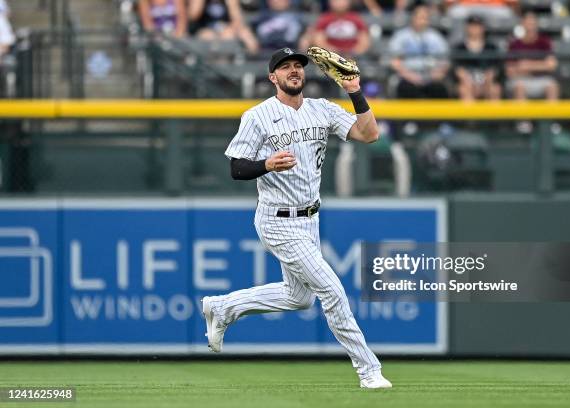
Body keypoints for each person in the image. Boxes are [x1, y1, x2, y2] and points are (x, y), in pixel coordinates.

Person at [201, 47, 392, 389]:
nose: (294, 71)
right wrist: (266, 165)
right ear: (272, 77)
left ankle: (223, 307)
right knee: (332, 291)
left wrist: (354, 92)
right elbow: (236, 168)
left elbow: (369, 134)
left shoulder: (322, 110)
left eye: (297, 66)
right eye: (285, 67)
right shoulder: (258, 116)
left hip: (309, 219)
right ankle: (369, 370)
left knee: (298, 297)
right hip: (277, 219)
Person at [389, 1, 450, 98]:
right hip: (407, 77)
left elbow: (445, 61)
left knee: (439, 89)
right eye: (420, 17)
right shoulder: (401, 36)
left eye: (425, 18)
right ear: (413, 18)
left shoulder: (436, 37)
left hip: (432, 77)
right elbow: (394, 62)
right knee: (406, 89)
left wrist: (436, 74)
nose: (423, 20)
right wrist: (410, 76)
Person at [505, 10, 559, 101]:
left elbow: (551, 65)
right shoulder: (514, 44)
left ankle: (551, 115)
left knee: (552, 87)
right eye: (527, 22)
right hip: (521, 79)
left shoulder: (544, 42)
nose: (530, 25)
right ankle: (522, 115)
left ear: (536, 24)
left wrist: (527, 65)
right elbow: (509, 70)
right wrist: (540, 65)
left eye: (532, 22)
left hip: (541, 78)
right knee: (519, 88)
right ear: (522, 24)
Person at [453, 15, 501, 100]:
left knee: (495, 89)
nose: (475, 29)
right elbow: (457, 69)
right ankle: (469, 113)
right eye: (472, 26)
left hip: (486, 81)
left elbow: (496, 68)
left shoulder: (491, 47)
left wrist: (487, 79)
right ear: (467, 28)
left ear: (483, 28)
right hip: (467, 82)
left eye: (478, 26)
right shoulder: (459, 47)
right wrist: (468, 81)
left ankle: (492, 113)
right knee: (464, 89)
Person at [188, 0, 258, 53]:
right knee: (209, 36)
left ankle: (255, 64)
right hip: (203, 29)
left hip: (225, 29)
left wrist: (231, 4)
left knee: (245, 35)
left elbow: (237, 21)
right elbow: (193, 16)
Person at [444, 0, 518, 21]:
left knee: (507, 13)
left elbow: (513, 3)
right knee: (454, 12)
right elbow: (448, 3)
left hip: (494, 7)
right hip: (467, 6)